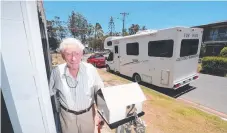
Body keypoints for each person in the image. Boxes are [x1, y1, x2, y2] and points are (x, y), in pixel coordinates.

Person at [49, 38, 104, 133]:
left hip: (87, 116)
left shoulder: (91, 70)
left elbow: (100, 93)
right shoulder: (56, 72)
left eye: (77, 53)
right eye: (68, 54)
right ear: (63, 56)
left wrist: (100, 115)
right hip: (67, 118)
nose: (73, 58)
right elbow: (49, 94)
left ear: (82, 54)